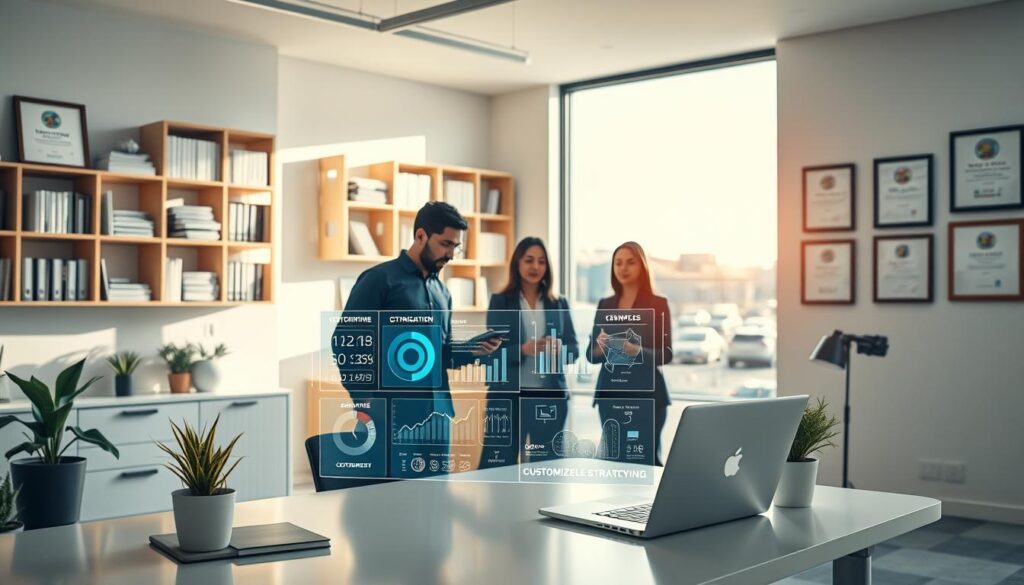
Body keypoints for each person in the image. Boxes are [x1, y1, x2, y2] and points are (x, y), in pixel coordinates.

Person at [335, 201, 501, 479]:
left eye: (455, 247)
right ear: (421, 235)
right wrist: (365, 401)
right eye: (445, 244)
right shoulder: (379, 280)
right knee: (386, 496)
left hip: (438, 416)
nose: (451, 254)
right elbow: (346, 342)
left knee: (436, 497)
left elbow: (439, 354)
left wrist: (473, 349)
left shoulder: (442, 293)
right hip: (390, 416)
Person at [483, 237, 578, 467]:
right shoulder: (500, 302)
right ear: (517, 263)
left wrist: (560, 349)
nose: (535, 266)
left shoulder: (558, 303)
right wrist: (522, 350)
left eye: (541, 261)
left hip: (549, 399)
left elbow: (574, 349)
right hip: (508, 398)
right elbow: (490, 353)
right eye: (529, 260)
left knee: (546, 468)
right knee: (496, 466)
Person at [586, 241, 672, 466]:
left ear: (642, 266)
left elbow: (667, 354)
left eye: (630, 262)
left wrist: (637, 351)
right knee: (615, 462)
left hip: (648, 397)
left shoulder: (658, 304)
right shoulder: (605, 304)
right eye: (618, 263)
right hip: (611, 395)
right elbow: (591, 355)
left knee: (647, 461)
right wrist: (602, 346)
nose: (623, 268)